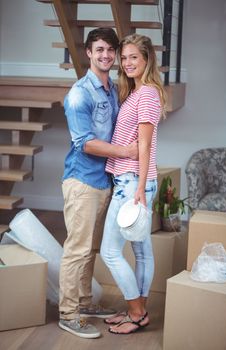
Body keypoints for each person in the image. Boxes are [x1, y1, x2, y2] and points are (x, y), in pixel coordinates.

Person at [59, 27, 138, 339]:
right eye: (99, 49)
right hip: (82, 182)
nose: (106, 55)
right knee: (77, 250)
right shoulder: (80, 94)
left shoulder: (111, 89)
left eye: (110, 50)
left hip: (104, 182)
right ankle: (68, 314)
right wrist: (126, 152)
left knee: (90, 248)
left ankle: (85, 303)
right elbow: (85, 143)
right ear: (89, 53)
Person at [100, 33, 166, 335]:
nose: (126, 63)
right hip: (133, 181)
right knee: (142, 252)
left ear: (147, 59)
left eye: (133, 57)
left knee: (110, 252)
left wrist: (138, 188)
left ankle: (137, 312)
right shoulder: (136, 92)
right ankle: (137, 311)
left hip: (132, 184)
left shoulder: (148, 94)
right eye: (123, 58)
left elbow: (144, 144)